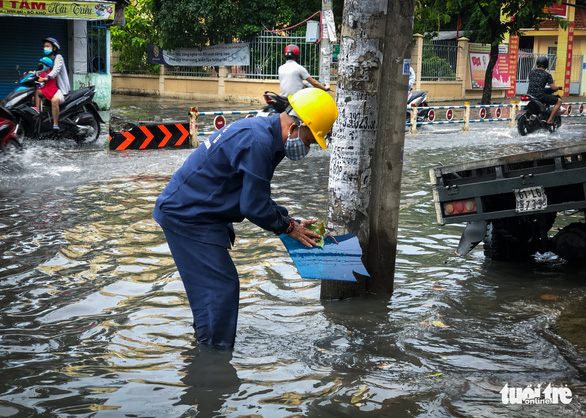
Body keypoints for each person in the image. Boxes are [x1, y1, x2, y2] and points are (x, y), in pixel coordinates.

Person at [153, 88, 338, 350]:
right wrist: (288, 227)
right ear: (298, 124)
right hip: (187, 215)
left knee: (212, 291)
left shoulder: (265, 134)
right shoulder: (259, 143)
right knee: (221, 288)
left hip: (201, 211)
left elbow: (253, 194)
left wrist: (289, 219)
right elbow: (253, 206)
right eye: (309, 141)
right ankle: (213, 363)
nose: (306, 148)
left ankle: (204, 347)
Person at [38, 37, 70, 131]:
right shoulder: (47, 60)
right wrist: (32, 74)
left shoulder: (58, 58)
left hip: (60, 90)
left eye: (47, 46)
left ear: (54, 48)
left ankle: (55, 124)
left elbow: (55, 70)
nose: (45, 48)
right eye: (44, 46)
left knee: (54, 100)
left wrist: (47, 77)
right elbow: (42, 71)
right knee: (34, 93)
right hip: (50, 88)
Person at [526, 56, 563, 126]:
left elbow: (535, 84)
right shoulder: (547, 75)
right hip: (540, 96)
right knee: (559, 101)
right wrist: (558, 87)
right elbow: (553, 88)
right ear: (546, 65)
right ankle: (550, 120)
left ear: (537, 64)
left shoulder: (531, 73)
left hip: (529, 95)